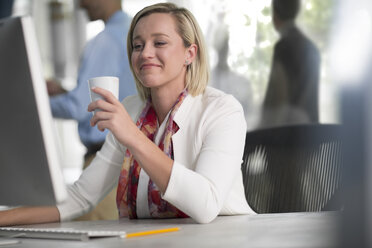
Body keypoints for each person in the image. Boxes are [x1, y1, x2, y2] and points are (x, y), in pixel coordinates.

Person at [0, 3, 254, 226]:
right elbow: (80, 197)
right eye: (137, 45)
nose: (145, 53)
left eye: (160, 42)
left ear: (190, 53)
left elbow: (206, 205)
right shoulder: (132, 110)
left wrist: (133, 136)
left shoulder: (222, 110)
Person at [47, 0, 136, 220]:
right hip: (131, 163)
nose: (80, 5)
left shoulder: (106, 41)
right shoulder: (132, 34)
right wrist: (66, 92)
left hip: (105, 163)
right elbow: (113, 97)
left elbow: (80, 107)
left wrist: (34, 104)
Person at [259, 0, 320, 128]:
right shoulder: (313, 49)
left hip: (289, 134)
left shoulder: (284, 46)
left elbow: (277, 96)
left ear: (275, 14)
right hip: (311, 134)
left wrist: (260, 128)